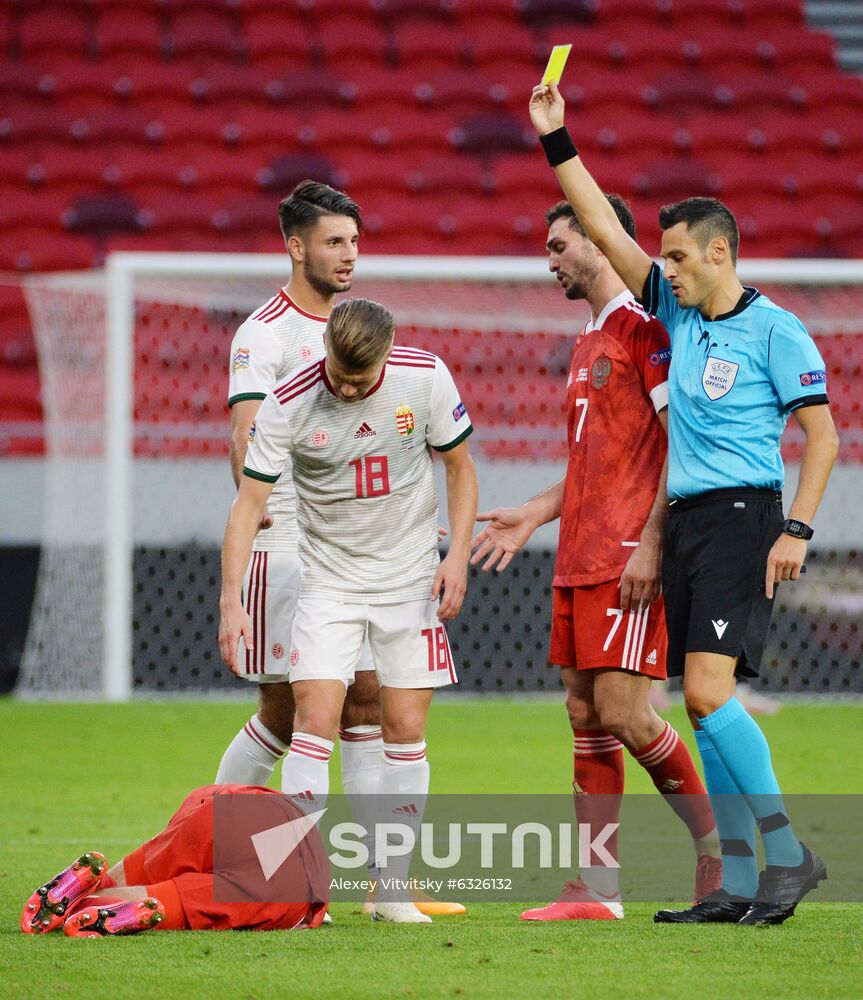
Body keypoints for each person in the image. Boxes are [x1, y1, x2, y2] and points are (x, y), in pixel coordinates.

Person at [528, 81, 839, 925]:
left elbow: (823, 436)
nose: (660, 269)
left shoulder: (775, 330)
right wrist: (557, 139)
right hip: (691, 523)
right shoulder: (676, 315)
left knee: (704, 695)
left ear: (718, 254)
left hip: (746, 517)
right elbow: (599, 225)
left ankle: (787, 854)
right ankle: (737, 881)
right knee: (701, 710)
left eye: (674, 257)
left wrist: (798, 530)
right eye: (658, 258)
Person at [471, 197, 721, 921]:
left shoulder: (648, 333)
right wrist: (532, 512)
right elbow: (596, 464)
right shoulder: (586, 342)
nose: (549, 260)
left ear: (596, 238)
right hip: (578, 553)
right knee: (583, 713)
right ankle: (596, 889)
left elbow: (686, 447)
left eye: (558, 244)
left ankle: (717, 848)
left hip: (626, 557)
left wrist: (650, 544)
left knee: (623, 712)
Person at [219, 297, 477, 923]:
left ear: (387, 357)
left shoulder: (426, 376)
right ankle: (300, 891)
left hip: (409, 579)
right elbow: (248, 505)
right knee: (312, 719)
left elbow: (461, 470)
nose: (346, 385)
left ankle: (390, 890)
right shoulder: (289, 400)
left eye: (360, 379)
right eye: (338, 371)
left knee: (406, 728)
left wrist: (458, 556)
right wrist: (232, 602)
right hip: (329, 583)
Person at [217, 180, 382, 801]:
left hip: (353, 542)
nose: (348, 255)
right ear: (295, 248)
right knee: (288, 714)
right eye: (333, 241)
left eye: (354, 242)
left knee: (367, 701)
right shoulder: (266, 333)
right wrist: (259, 514)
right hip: (287, 538)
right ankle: (216, 835)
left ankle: (384, 877)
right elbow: (244, 436)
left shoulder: (352, 329)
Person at [21, 785, 329, 937]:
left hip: (236, 809)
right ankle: (103, 909)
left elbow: (203, 801)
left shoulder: (221, 795)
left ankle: (83, 886)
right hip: (286, 893)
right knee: (165, 901)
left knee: (133, 872)